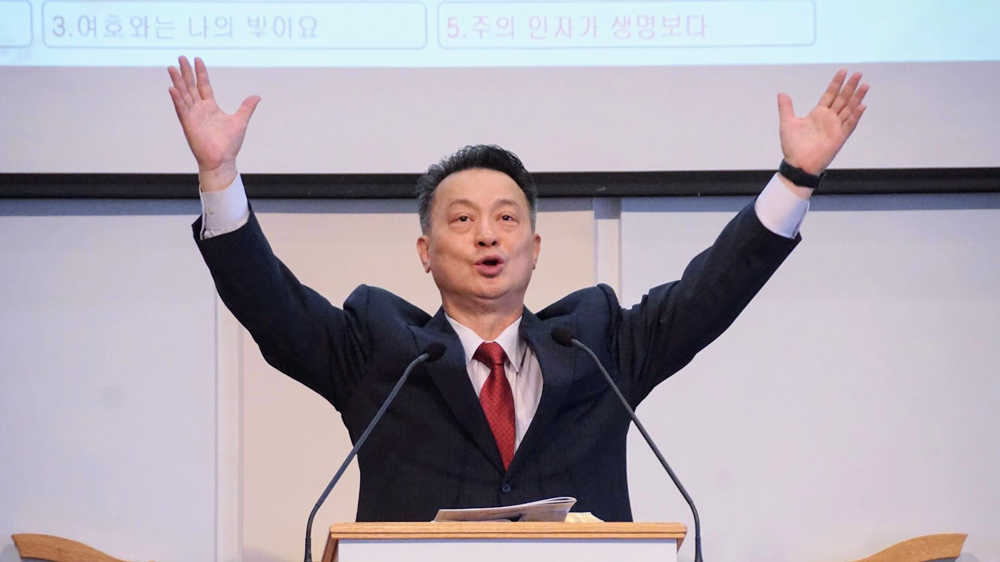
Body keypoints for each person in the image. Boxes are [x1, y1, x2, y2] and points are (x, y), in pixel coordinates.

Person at [167, 56, 868, 522]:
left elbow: (709, 293)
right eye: (462, 220)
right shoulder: (380, 349)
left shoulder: (597, 345)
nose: (487, 236)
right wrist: (219, 177)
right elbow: (271, 305)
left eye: (507, 219)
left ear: (535, 249)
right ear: (425, 252)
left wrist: (795, 178)